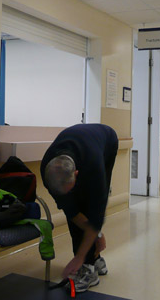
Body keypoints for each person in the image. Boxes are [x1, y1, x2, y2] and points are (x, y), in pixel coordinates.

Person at [40, 123, 118, 293]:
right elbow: (71, 211)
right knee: (74, 208)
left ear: (76, 173)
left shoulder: (93, 166)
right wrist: (97, 235)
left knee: (88, 202)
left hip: (107, 141)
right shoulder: (48, 169)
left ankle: (88, 267)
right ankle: (93, 260)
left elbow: (97, 214)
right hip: (82, 143)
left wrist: (80, 257)